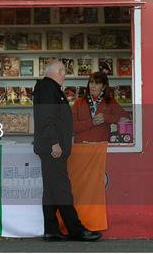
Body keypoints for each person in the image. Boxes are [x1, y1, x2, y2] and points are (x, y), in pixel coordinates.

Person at [33, 59, 102, 242]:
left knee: (51, 190)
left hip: (50, 148)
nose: (64, 77)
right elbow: (46, 119)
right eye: (64, 73)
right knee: (62, 189)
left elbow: (48, 119)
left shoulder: (48, 89)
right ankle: (76, 230)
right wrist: (55, 143)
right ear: (59, 71)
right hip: (53, 149)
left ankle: (51, 230)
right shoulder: (49, 89)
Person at [72, 72, 130, 143]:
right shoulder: (78, 102)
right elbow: (72, 127)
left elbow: (126, 119)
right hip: (82, 148)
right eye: (91, 82)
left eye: (97, 83)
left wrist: (106, 118)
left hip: (102, 148)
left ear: (104, 87)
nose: (93, 86)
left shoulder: (110, 102)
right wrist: (91, 122)